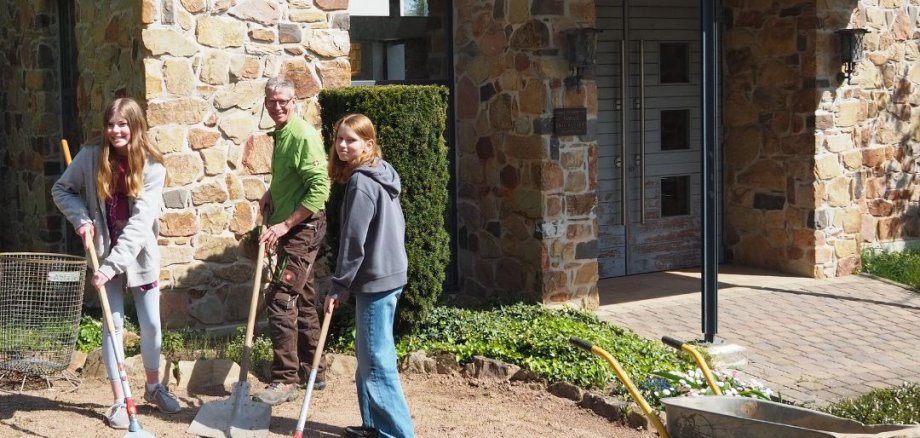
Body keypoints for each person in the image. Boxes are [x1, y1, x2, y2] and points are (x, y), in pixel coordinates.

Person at [52, 97, 180, 429]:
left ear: (135, 126)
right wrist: (81, 219)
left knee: (151, 325)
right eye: (111, 124)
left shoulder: (153, 165)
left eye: (123, 124)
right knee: (113, 326)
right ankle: (120, 399)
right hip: (102, 250)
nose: (115, 130)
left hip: (138, 254)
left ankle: (153, 387)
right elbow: (62, 189)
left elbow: (140, 225)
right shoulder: (91, 156)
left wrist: (112, 266)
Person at [324, 114, 415, 438]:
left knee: (376, 362)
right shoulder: (382, 172)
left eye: (351, 139)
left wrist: (339, 285)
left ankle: (397, 433)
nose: (344, 145)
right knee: (368, 356)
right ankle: (374, 427)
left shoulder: (363, 182)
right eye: (340, 139)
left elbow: (353, 240)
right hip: (390, 274)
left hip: (377, 279)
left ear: (368, 143)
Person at [253, 76, 331, 406]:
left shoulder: (302, 135)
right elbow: (294, 177)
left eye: (283, 101)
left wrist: (284, 225)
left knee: (281, 298)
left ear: (294, 100)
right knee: (302, 294)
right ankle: (315, 370)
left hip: (303, 229)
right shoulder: (282, 134)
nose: (277, 107)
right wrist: (274, 192)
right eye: (271, 101)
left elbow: (320, 190)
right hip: (294, 228)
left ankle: (286, 380)